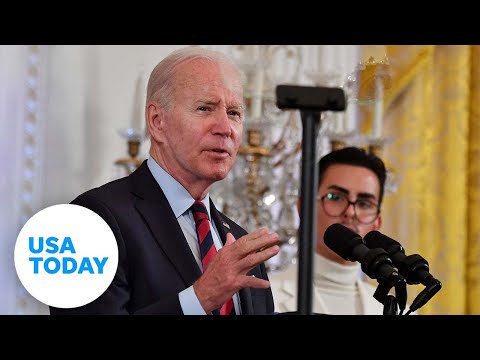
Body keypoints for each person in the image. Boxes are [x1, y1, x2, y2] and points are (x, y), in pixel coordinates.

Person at [49, 46, 280, 315]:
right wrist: (200, 298)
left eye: (234, 113)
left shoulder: (240, 245)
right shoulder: (88, 222)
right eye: (205, 108)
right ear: (157, 121)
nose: (225, 128)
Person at [270, 146, 412, 315]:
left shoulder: (401, 311)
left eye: (364, 203)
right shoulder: (265, 296)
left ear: (377, 223)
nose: (350, 212)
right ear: (304, 208)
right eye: (335, 197)